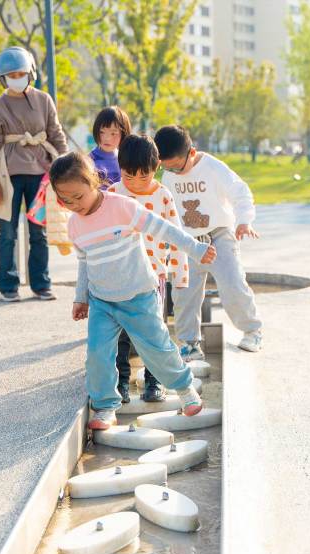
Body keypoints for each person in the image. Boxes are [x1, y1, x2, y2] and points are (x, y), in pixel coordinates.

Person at [49, 152, 216, 430]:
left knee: (157, 348)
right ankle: (105, 407)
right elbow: (84, 263)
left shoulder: (122, 207)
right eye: (65, 200)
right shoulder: (74, 225)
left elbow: (165, 229)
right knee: (98, 354)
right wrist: (81, 297)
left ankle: (186, 391)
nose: (73, 204)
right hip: (102, 301)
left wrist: (196, 249)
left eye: (78, 196)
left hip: (139, 295)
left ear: (94, 182)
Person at [154, 125, 262, 357]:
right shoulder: (169, 171)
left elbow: (240, 192)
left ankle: (252, 331)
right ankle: (189, 342)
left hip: (218, 235)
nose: (173, 171)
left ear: (191, 153)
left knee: (233, 284)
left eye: (176, 166)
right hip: (187, 241)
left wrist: (244, 221)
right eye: (166, 167)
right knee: (184, 293)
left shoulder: (213, 168)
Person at [107, 134, 189, 403]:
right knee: (120, 334)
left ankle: (154, 382)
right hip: (120, 277)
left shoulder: (163, 196)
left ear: (157, 169)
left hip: (154, 277)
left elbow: (176, 235)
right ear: (120, 169)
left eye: (144, 177)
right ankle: (120, 382)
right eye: (129, 176)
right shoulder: (113, 194)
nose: (136, 183)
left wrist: (180, 274)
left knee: (155, 333)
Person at [0, 46, 68, 302]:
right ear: (2, 77)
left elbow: (56, 133)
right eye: (11, 74)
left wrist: (63, 163)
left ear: (30, 73)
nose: (16, 77)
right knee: (7, 233)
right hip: (8, 173)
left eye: (21, 73)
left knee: (39, 232)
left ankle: (41, 283)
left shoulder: (44, 100)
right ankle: (8, 285)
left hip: (41, 173)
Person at [89, 106, 132, 188]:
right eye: (102, 132)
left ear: (123, 134)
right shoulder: (90, 160)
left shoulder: (124, 159)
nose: (107, 138)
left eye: (113, 133)